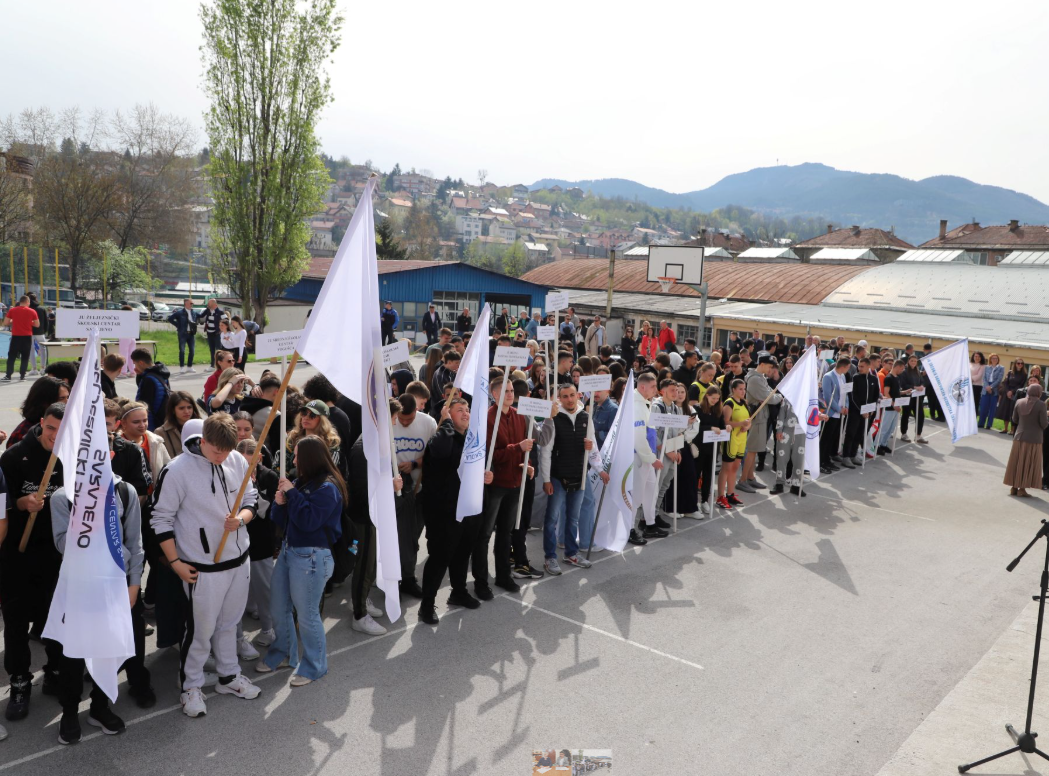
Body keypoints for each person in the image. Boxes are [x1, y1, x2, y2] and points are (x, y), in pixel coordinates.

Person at [151, 413, 261, 718]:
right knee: (200, 630)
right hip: (202, 567)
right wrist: (175, 562)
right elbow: (160, 519)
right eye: (217, 451)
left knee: (230, 624)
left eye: (228, 451)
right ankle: (191, 686)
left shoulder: (236, 459)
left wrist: (241, 520)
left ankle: (228, 675)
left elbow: (251, 499)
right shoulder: (177, 470)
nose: (222, 457)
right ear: (203, 440)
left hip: (239, 559)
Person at [50, 471, 150, 744]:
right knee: (73, 652)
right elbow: (63, 545)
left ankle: (99, 706)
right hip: (80, 586)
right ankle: (69, 711)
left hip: (117, 584)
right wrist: (88, 511)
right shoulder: (62, 497)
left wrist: (134, 583)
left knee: (109, 648)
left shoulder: (125, 491)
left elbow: (135, 543)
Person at [256, 436, 344, 686]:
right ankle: (284, 654)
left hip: (311, 558)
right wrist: (280, 503)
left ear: (309, 458)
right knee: (278, 607)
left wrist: (292, 494)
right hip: (289, 552)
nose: (293, 461)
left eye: (296, 456)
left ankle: (315, 666)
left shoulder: (327, 488)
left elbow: (308, 521)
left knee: (307, 615)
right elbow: (281, 520)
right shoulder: (300, 482)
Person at [0, 403, 62, 722]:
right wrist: (20, 503)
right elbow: (1, 505)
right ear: (41, 423)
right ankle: (20, 681)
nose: (55, 436)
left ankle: (54, 671)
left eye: (62, 431)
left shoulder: (72, 459)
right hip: (18, 555)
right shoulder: (13, 457)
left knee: (55, 620)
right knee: (16, 624)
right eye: (51, 428)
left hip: (57, 556)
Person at [417, 397, 484, 625]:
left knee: (462, 553)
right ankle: (427, 605)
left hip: (468, 509)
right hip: (443, 512)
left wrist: (488, 474)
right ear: (447, 414)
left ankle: (458, 592)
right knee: (440, 558)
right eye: (459, 410)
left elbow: (479, 464)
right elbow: (441, 452)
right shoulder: (441, 437)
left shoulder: (471, 438)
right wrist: (445, 422)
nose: (466, 413)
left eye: (467, 409)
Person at [474, 373, 540, 597]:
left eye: (511, 391)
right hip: (496, 485)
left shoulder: (519, 416)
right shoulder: (487, 418)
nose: (510, 394)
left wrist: (527, 464)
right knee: (484, 534)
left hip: (515, 483)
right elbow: (491, 456)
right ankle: (481, 581)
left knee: (506, 533)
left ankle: (503, 576)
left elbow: (524, 450)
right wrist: (518, 448)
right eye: (506, 391)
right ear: (494, 394)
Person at [540, 383, 605, 575]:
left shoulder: (585, 417)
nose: (569, 399)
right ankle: (550, 557)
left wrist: (600, 468)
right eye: (565, 396)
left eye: (572, 395)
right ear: (559, 398)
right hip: (558, 477)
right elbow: (546, 451)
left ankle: (571, 553)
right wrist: (546, 479)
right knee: (551, 519)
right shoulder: (553, 418)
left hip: (579, 476)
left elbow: (592, 447)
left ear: (578, 395)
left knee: (573, 518)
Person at [391, 393, 436, 598]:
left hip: (418, 490)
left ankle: (407, 575)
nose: (404, 423)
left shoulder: (428, 423)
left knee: (412, 537)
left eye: (409, 420)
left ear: (416, 410)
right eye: (401, 419)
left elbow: (434, 455)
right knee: (398, 537)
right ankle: (397, 576)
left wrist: (415, 464)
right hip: (395, 492)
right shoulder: (390, 422)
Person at [738, 354, 782, 488]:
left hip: (761, 416)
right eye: (769, 367)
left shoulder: (760, 377)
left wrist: (774, 396)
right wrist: (780, 396)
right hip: (757, 417)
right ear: (762, 364)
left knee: (755, 450)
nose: (770, 370)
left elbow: (770, 394)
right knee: (752, 450)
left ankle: (750, 477)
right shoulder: (755, 379)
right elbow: (769, 397)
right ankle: (743, 480)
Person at [630, 373, 664, 544]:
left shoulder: (643, 402)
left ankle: (650, 524)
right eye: (653, 386)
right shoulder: (636, 406)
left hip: (647, 457)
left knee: (651, 490)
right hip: (639, 457)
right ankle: (629, 529)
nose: (655, 390)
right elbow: (638, 438)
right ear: (642, 387)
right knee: (636, 496)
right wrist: (651, 458)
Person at [1004, 384, 1047, 497]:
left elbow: (1014, 419)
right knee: (1028, 463)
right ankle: (1022, 489)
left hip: (1019, 437)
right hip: (1034, 439)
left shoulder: (1019, 402)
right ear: (1039, 392)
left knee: (1017, 462)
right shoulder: (1041, 405)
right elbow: (1044, 424)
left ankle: (1014, 487)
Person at [6, 375, 68, 449]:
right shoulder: (21, 435)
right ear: (44, 402)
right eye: (61, 398)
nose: (68, 402)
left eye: (68, 397)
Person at [118, 402, 172, 485]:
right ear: (123, 423)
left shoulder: (156, 442)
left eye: (145, 420)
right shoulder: (116, 445)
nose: (142, 425)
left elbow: (168, 469)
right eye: (136, 422)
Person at [717, 379, 750, 509]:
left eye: (744, 389)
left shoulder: (744, 402)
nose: (743, 391)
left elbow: (749, 421)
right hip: (731, 438)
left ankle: (730, 494)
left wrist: (746, 427)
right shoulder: (729, 403)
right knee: (726, 468)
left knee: (735, 467)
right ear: (733, 389)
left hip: (741, 438)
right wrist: (741, 424)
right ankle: (720, 497)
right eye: (740, 389)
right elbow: (725, 422)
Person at [843, 358, 878, 465]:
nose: (859, 368)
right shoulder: (855, 377)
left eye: (862, 366)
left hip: (867, 413)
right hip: (856, 412)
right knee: (851, 433)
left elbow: (876, 395)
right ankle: (846, 456)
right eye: (859, 366)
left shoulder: (873, 379)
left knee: (860, 434)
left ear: (868, 366)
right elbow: (853, 396)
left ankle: (853, 455)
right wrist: (861, 410)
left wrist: (871, 409)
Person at [695, 385, 724, 512]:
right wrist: (710, 428)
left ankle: (705, 500)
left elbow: (722, 426)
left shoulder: (718, 410)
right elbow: (696, 427)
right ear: (707, 396)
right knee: (696, 474)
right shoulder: (698, 408)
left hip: (712, 448)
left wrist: (727, 428)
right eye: (713, 398)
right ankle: (694, 501)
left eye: (717, 399)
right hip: (699, 447)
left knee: (708, 475)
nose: (715, 401)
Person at [819, 358, 850, 472]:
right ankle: (820, 462)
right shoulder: (828, 376)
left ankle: (827, 460)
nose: (848, 369)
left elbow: (846, 393)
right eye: (848, 367)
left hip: (840, 413)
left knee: (832, 439)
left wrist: (846, 406)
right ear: (843, 366)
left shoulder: (843, 376)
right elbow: (827, 397)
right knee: (825, 439)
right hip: (830, 413)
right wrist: (838, 409)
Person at [131, 348, 171, 431]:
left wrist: (148, 430)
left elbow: (145, 405)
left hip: (153, 425)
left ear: (141, 363)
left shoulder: (148, 379)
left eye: (135, 364)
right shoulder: (161, 373)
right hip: (163, 421)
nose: (135, 367)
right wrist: (140, 375)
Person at [2, 295, 38, 381]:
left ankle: (8, 375)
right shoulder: (32, 311)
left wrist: (13, 320)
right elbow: (37, 324)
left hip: (16, 336)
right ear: (27, 302)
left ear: (20, 301)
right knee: (25, 356)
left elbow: (5, 323)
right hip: (27, 336)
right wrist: (29, 322)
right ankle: (22, 376)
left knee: (12, 356)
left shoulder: (12, 310)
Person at [876, 360, 906, 454]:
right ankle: (876, 445)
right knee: (884, 428)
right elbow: (886, 393)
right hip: (889, 407)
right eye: (901, 369)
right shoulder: (888, 378)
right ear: (897, 367)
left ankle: (883, 444)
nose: (902, 371)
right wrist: (894, 404)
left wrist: (904, 392)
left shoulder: (897, 378)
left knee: (891, 428)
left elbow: (896, 391)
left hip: (896, 407)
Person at [899, 354, 927, 444]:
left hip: (917, 398)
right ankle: (904, 434)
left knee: (920, 415)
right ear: (908, 361)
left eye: (915, 361)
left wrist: (922, 386)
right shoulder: (904, 371)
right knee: (906, 415)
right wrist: (914, 387)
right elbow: (903, 385)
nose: (913, 362)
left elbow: (922, 381)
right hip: (907, 397)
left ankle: (918, 435)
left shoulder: (917, 371)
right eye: (912, 361)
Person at [997, 359, 1029, 435]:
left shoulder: (1024, 374)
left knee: (1013, 412)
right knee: (1006, 411)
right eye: (1018, 363)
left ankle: (1012, 430)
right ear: (1015, 364)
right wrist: (1008, 391)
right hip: (1006, 393)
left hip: (1016, 394)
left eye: (1021, 363)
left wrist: (1012, 392)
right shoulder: (1010, 372)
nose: (1020, 364)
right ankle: (1005, 428)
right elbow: (1005, 383)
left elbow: (1021, 385)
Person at [168, 298, 199, 373]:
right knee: (182, 350)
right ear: (186, 304)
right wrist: (178, 325)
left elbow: (201, 316)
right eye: (191, 303)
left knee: (192, 350)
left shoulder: (194, 312)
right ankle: (182, 367)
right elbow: (170, 319)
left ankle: (189, 366)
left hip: (191, 334)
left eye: (192, 303)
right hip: (182, 334)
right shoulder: (180, 312)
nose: (192, 304)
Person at [980, 354, 1005, 429]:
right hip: (986, 388)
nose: (994, 359)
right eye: (993, 358)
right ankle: (981, 423)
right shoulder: (986, 367)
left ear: (998, 360)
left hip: (995, 389)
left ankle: (989, 424)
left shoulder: (1001, 368)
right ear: (990, 359)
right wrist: (987, 387)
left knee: (992, 408)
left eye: (996, 358)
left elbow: (999, 379)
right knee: (983, 407)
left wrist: (991, 387)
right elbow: (984, 378)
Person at [200, 298, 225, 367]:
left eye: (209, 303)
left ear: (213, 304)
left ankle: (219, 365)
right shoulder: (208, 311)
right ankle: (212, 365)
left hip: (216, 334)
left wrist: (221, 329)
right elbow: (201, 315)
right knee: (211, 350)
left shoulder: (220, 312)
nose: (208, 304)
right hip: (209, 333)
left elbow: (226, 320)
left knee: (218, 350)